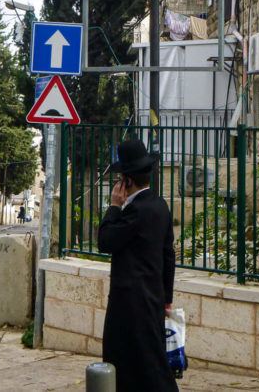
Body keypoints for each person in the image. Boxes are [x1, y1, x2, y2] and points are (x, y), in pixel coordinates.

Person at [98, 138, 177, 392]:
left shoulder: (135, 211)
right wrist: (166, 297)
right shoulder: (160, 206)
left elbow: (105, 240)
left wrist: (113, 207)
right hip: (152, 299)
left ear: (128, 180)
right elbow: (168, 255)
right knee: (150, 359)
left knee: (132, 363)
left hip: (129, 303)